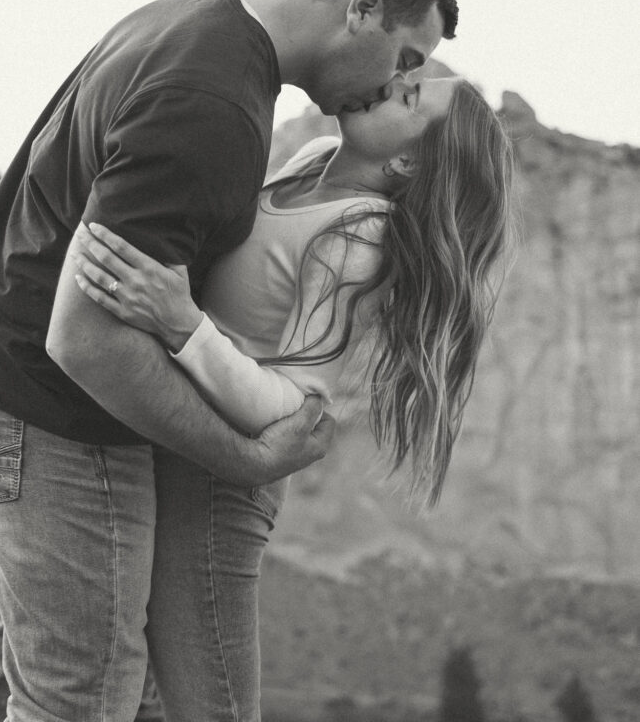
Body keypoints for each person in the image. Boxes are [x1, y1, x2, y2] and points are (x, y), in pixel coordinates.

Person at [0, 0, 459, 721]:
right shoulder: (215, 103)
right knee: (81, 699)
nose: (398, 82)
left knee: (7, 671)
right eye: (406, 58)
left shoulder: (186, 22)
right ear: (363, 8)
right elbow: (82, 337)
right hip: (54, 414)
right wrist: (248, 456)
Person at [69, 73, 514, 721]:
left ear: (406, 161)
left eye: (411, 98)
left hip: (217, 492)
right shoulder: (309, 165)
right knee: (133, 698)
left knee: (208, 706)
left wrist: (179, 323)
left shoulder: (360, 234)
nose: (391, 83)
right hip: (161, 444)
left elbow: (290, 407)